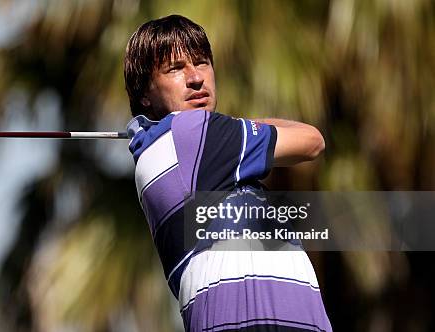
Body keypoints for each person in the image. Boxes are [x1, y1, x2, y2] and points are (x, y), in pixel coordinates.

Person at [124, 15, 332, 331]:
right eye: (175, 69)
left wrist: (232, 127)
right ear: (144, 93)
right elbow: (312, 140)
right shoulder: (193, 132)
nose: (195, 78)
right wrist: (240, 124)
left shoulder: (166, 146)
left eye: (202, 62)